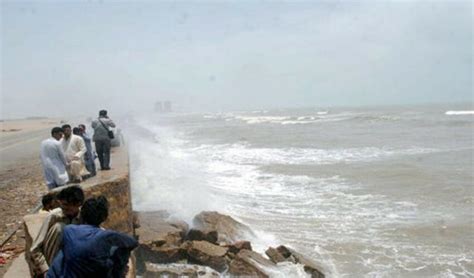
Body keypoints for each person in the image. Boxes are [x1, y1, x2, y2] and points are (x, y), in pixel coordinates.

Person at [47, 196, 138, 277]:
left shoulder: (69, 230)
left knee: (65, 252)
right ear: (104, 218)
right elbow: (132, 242)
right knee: (119, 250)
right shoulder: (105, 235)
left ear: (82, 214)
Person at [28, 186, 84, 277]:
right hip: (52, 258)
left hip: (72, 260)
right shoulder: (54, 216)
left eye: (66, 205)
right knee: (59, 228)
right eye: (62, 204)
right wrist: (45, 270)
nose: (63, 208)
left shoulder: (83, 216)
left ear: (78, 204)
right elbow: (35, 248)